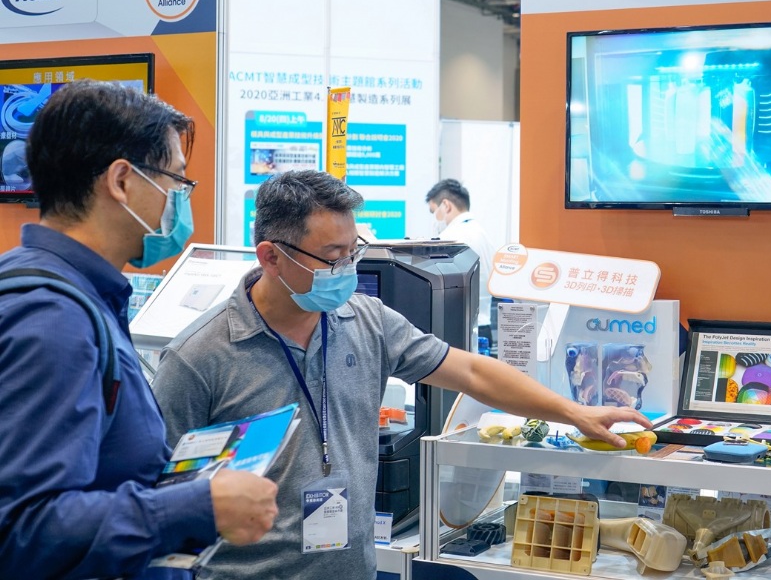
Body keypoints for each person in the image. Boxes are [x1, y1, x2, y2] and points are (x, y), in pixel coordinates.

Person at [154, 170, 651, 580]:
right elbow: (157, 500)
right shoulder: (198, 358)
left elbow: (472, 372)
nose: (346, 268)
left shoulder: (365, 321)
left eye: (353, 251)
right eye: (332, 257)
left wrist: (574, 412)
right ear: (271, 257)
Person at [0, 81, 278, 580]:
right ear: (122, 180)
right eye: (177, 181)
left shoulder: (70, 291)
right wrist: (196, 506)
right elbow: (21, 529)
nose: (180, 200)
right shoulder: (52, 318)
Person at [426, 178, 497, 345]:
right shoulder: (482, 234)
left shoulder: (451, 238)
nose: (435, 219)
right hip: (484, 326)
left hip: (458, 330)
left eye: (434, 212)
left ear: (446, 205)